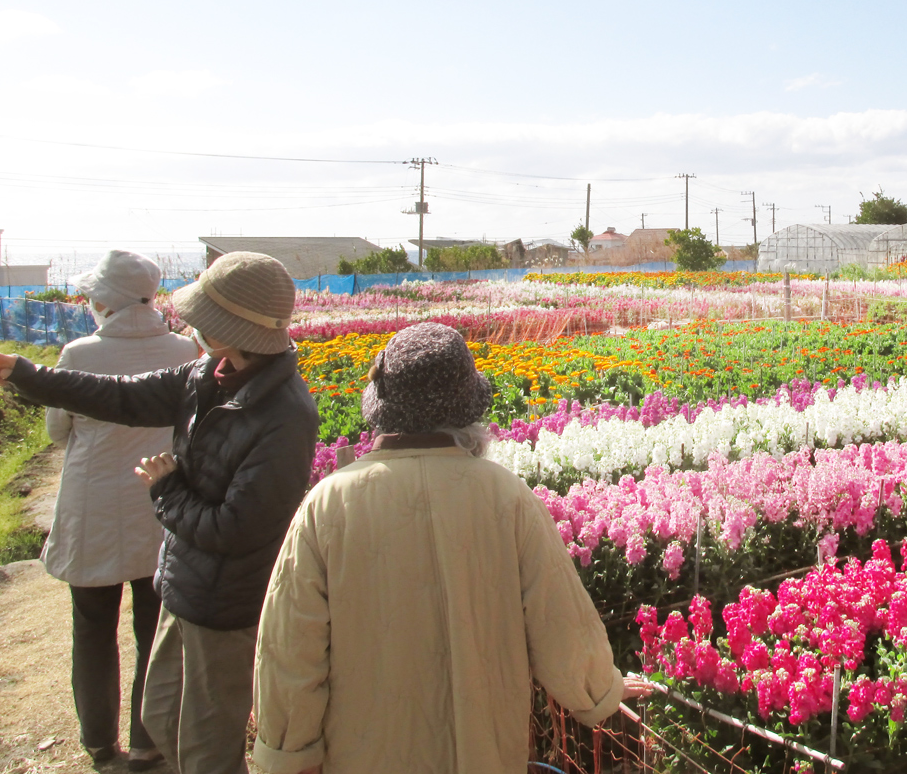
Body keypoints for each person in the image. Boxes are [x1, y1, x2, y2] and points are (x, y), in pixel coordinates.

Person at [0, 251, 318, 774]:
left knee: (207, 747)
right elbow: (121, 397)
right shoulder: (209, 372)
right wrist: (27, 375)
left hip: (225, 602)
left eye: (203, 318)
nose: (190, 325)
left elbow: (235, 528)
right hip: (183, 582)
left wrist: (166, 489)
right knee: (161, 718)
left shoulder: (285, 414)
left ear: (231, 329)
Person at [251, 322, 650, 774]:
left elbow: (290, 648)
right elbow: (559, 620)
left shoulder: (328, 502)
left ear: (383, 411)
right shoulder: (507, 495)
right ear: (468, 411)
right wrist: (600, 691)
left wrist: (288, 753)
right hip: (484, 750)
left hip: (366, 753)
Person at [43, 250, 200, 770]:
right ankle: (147, 740)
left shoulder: (79, 353)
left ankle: (101, 747)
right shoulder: (185, 348)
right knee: (153, 628)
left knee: (91, 625)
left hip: (94, 505)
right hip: (161, 500)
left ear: (103, 300)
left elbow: (56, 430)